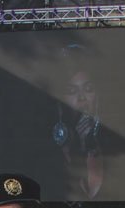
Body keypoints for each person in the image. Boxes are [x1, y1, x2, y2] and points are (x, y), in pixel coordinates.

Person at [52, 45, 104, 199]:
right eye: (72, 91)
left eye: (88, 89)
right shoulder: (51, 151)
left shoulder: (111, 144)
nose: (82, 98)